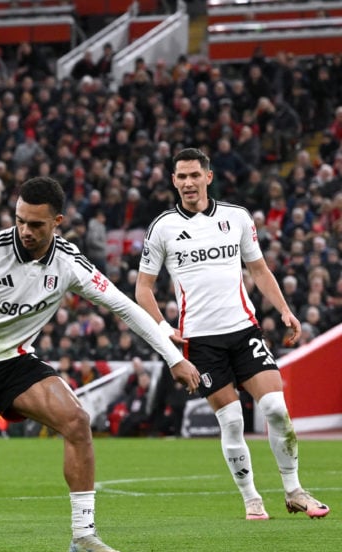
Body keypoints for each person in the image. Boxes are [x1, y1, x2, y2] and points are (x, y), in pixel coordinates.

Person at [0, 177, 200, 552]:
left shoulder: (69, 264)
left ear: (57, 222)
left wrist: (173, 358)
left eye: (36, 224)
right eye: (20, 221)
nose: (25, 231)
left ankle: (83, 534)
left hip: (14, 361)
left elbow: (125, 307)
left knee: (77, 420)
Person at [135, 147, 330, 521]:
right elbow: (143, 288)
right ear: (173, 181)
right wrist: (165, 330)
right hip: (200, 340)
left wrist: (285, 310)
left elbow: (258, 269)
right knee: (232, 421)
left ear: (208, 177)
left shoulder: (236, 217)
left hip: (243, 330)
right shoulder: (162, 228)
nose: (188, 183)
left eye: (195, 175)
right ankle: (251, 498)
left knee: (275, 408)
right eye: (181, 177)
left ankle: (294, 490)